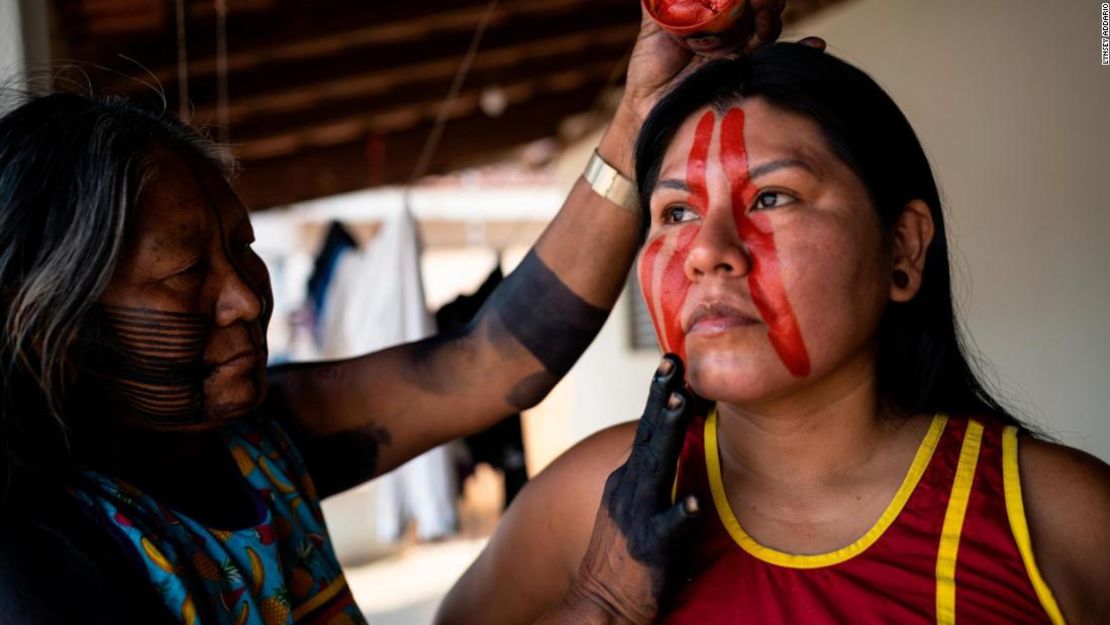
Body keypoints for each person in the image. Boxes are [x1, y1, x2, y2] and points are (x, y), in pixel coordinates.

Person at [0, 3, 795, 623]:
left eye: (241, 248)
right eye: (183, 274)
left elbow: (489, 360)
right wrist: (600, 603)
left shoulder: (254, 442)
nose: (246, 297)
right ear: (47, 322)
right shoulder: (38, 566)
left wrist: (638, 119)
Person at [436, 44, 1110, 625]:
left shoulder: (1059, 520)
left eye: (771, 197)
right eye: (676, 211)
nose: (707, 250)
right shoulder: (584, 502)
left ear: (902, 250)